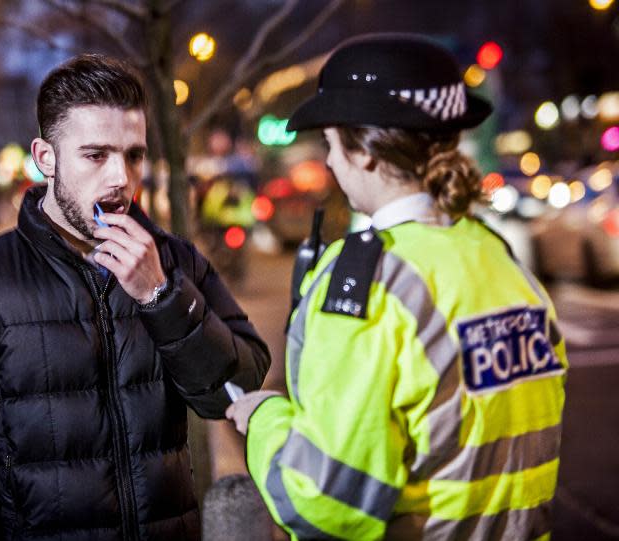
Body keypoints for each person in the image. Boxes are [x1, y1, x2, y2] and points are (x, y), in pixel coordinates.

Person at [0, 54, 270, 541]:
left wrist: (161, 298)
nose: (121, 177)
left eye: (134, 155)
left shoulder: (174, 262)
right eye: (96, 155)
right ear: (46, 158)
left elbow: (236, 391)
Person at [227, 34, 567, 540]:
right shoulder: (497, 256)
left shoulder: (370, 280)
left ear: (363, 152)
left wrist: (263, 420)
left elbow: (326, 502)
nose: (330, 163)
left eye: (331, 145)